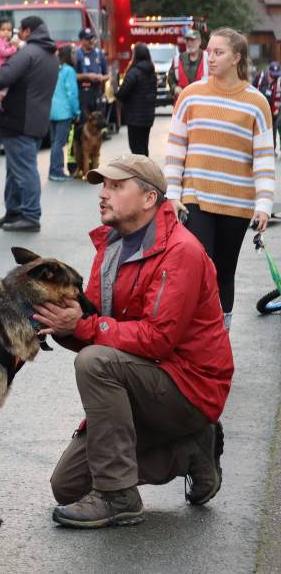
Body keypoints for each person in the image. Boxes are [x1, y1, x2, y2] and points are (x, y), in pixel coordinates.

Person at [34, 154, 232, 528]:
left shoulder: (181, 252)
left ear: (148, 199)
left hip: (191, 387)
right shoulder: (112, 244)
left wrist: (82, 328)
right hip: (142, 379)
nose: (103, 194)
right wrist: (58, 323)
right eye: (103, 186)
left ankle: (117, 496)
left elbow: (156, 339)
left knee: (94, 362)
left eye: (115, 186)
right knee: (68, 486)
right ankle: (191, 450)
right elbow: (91, 325)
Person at [164, 27, 275, 330]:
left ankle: (219, 338)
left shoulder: (257, 103)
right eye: (208, 51)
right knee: (199, 270)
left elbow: (264, 158)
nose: (209, 58)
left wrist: (264, 204)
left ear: (236, 57)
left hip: (237, 203)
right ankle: (193, 336)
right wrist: (172, 194)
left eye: (218, 52)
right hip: (194, 199)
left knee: (225, 272)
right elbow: (175, 150)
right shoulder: (190, 96)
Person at [0, 15, 59, 232]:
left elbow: (2, 76)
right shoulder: (50, 55)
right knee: (15, 169)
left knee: (24, 170)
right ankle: (14, 210)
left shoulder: (27, 53)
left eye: (19, 31)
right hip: (37, 121)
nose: (16, 34)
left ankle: (30, 215)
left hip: (18, 121)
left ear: (27, 31)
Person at [115, 43, 158, 156]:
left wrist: (116, 93)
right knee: (144, 147)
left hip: (134, 118)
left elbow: (122, 92)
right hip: (148, 117)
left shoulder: (134, 72)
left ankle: (140, 173)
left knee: (136, 149)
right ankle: (146, 171)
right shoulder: (152, 72)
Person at [48, 44, 80, 181]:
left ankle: (52, 170)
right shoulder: (69, 71)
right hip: (64, 112)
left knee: (54, 141)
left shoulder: (53, 69)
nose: (75, 56)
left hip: (51, 111)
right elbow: (71, 93)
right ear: (68, 55)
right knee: (59, 143)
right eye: (73, 53)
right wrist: (76, 111)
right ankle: (57, 171)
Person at [75, 27, 108, 113]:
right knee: (84, 123)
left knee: (99, 122)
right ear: (81, 40)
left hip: (97, 92)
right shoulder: (77, 54)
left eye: (92, 38)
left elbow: (107, 74)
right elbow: (72, 76)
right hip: (83, 92)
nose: (91, 41)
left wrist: (101, 77)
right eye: (88, 39)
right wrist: (87, 76)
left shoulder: (99, 54)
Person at [168, 29, 208, 98]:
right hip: (182, 104)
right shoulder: (177, 59)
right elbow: (170, 79)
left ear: (199, 41)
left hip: (203, 102)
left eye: (192, 40)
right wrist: (175, 88)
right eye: (187, 40)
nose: (189, 43)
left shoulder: (208, 58)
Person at [253, 60, 280, 150]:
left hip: (273, 111)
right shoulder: (260, 77)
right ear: (268, 72)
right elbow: (252, 89)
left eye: (276, 76)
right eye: (272, 75)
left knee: (273, 131)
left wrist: (277, 108)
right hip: (258, 110)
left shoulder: (279, 81)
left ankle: (271, 150)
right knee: (258, 131)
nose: (274, 78)